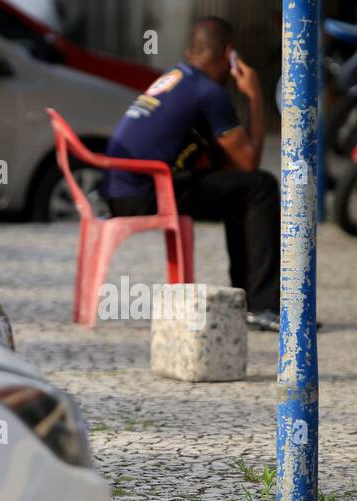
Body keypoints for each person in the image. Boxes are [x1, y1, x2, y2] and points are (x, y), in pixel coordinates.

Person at [103, 16, 281, 331]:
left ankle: (250, 300)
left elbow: (230, 167)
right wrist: (255, 96)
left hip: (122, 189)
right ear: (230, 54)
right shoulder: (208, 93)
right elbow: (249, 162)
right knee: (261, 186)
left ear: (190, 51)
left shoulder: (176, 77)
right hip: (147, 193)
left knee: (241, 191)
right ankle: (263, 305)